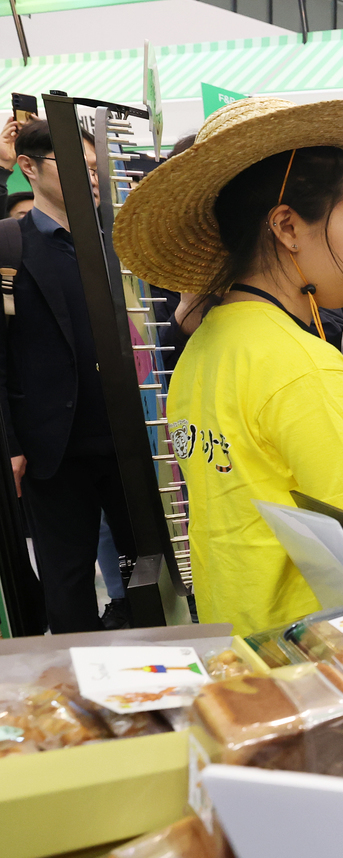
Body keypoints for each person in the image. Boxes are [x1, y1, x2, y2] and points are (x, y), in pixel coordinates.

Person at [111, 96, 343, 635]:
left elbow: (257, 490)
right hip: (316, 662)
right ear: (288, 227)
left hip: (240, 642)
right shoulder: (308, 367)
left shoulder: (205, 346)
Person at [0, 119, 133, 634]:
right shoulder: (12, 247)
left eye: (97, 168)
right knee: (67, 580)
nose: (91, 178)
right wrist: (10, 441)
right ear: (30, 168)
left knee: (150, 567)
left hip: (129, 444)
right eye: (77, 166)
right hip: (51, 448)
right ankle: (75, 689)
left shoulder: (117, 244)